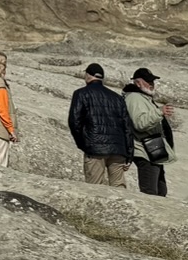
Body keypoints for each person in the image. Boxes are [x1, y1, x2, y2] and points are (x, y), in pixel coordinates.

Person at [68, 63, 132, 186]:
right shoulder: (117, 98)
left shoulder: (81, 93)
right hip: (118, 148)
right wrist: (129, 153)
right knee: (119, 188)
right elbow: (127, 127)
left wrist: (83, 144)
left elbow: (74, 121)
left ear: (88, 75)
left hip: (95, 148)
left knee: (95, 187)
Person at [123, 68, 176, 196]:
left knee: (161, 191)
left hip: (154, 151)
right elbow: (139, 123)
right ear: (138, 83)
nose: (151, 84)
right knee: (150, 193)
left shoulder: (144, 98)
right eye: (148, 81)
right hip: (145, 152)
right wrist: (159, 112)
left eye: (152, 81)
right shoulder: (134, 98)